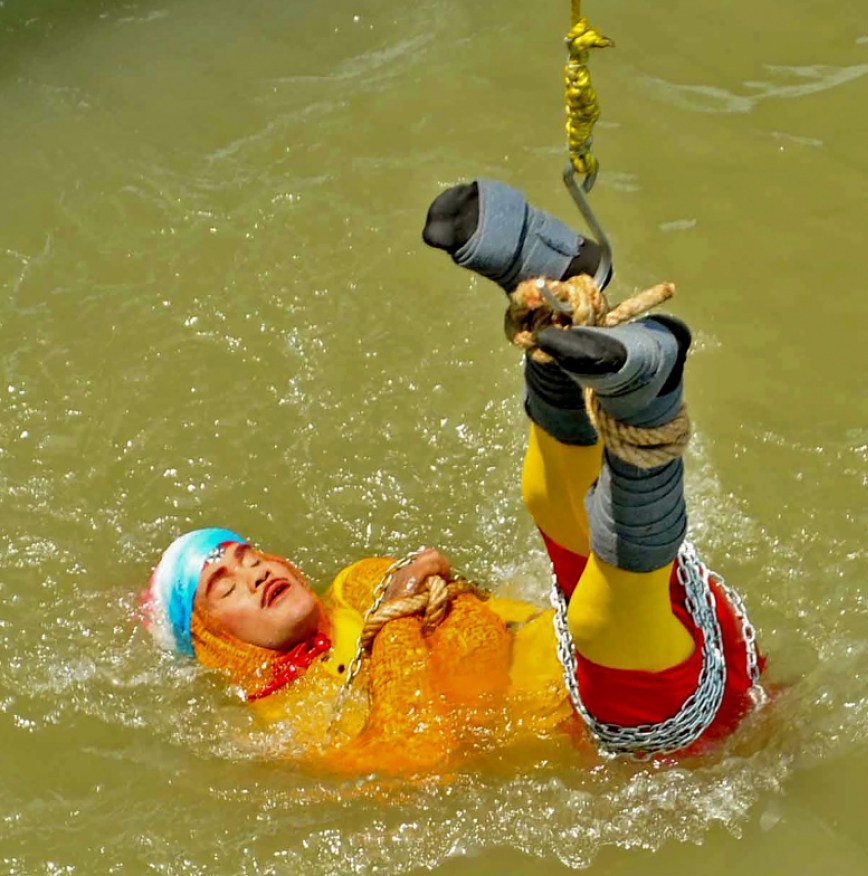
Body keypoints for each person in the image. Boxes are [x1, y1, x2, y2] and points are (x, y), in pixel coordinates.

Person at [143, 180, 763, 773]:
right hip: (666, 730)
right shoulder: (281, 723)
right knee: (598, 619)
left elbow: (451, 632)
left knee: (550, 507)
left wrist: (396, 613)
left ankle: (552, 311)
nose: (252, 573)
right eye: (222, 588)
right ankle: (642, 404)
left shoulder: (358, 586)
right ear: (214, 644)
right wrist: (397, 623)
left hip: (661, 653)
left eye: (247, 556)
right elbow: (418, 757)